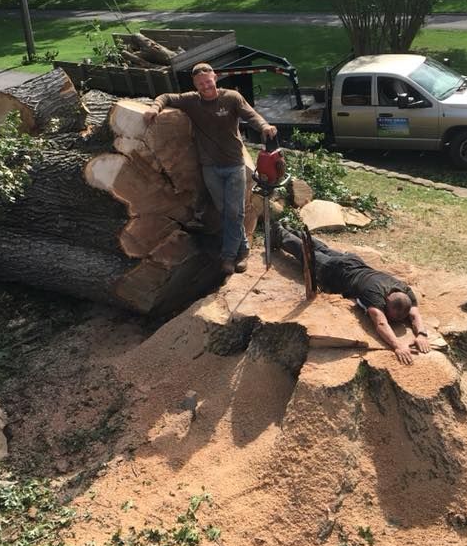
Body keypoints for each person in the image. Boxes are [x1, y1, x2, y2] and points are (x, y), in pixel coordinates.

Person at [145, 63, 278, 276]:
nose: (205, 87)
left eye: (208, 81)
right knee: (226, 212)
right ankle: (243, 249)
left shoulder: (231, 97)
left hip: (234, 164)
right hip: (210, 168)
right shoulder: (192, 100)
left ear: (215, 77)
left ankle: (228, 257)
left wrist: (264, 127)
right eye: (200, 84)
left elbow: (251, 115)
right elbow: (166, 97)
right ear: (195, 85)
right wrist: (154, 107)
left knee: (235, 212)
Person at [275, 224, 431, 364]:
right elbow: (381, 323)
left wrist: (422, 334)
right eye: (391, 315)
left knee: (323, 248)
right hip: (332, 270)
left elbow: (415, 315)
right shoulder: (374, 297)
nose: (392, 320)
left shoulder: (405, 291)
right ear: (387, 301)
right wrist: (398, 345)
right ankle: (279, 232)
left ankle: (291, 228)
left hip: (352, 261)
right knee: (306, 252)